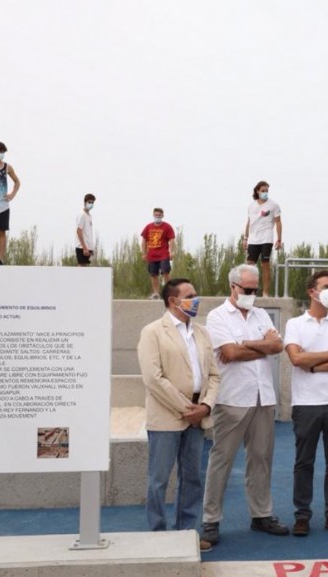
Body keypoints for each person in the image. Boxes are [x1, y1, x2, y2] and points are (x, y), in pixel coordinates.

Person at [201, 264, 288, 546]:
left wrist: (248, 344)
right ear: (233, 287)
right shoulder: (217, 317)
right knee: (221, 460)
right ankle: (211, 519)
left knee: (261, 458)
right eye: (247, 290)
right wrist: (260, 345)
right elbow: (229, 352)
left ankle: (261, 514)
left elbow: (277, 347)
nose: (252, 295)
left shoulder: (261, 314)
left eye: (255, 290)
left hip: (264, 397)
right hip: (232, 398)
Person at [136, 278, 219, 551]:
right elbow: (153, 378)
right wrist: (187, 410)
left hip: (198, 415)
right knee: (159, 480)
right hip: (168, 417)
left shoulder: (202, 333)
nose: (196, 299)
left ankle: (186, 533)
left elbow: (214, 375)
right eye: (190, 295)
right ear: (173, 301)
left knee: (192, 478)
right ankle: (158, 536)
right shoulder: (153, 332)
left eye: (196, 294)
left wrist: (205, 407)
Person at [284, 270, 328, 537]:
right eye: (326, 286)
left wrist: (314, 363)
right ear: (312, 292)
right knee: (304, 462)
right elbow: (296, 359)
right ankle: (302, 515)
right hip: (306, 403)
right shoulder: (295, 324)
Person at [243, 181, 282, 297]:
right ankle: (251, 290)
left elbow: (278, 222)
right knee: (250, 265)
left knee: (265, 263)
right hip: (253, 239)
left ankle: (265, 293)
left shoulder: (273, 205)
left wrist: (279, 239)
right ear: (257, 191)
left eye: (267, 191)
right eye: (263, 191)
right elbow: (249, 222)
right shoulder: (251, 205)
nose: (265, 193)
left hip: (266, 238)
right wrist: (245, 238)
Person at [141, 208, 176, 300]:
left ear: (162, 216)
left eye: (159, 215)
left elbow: (172, 240)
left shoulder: (167, 227)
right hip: (152, 255)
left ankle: (169, 292)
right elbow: (144, 241)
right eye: (156, 215)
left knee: (165, 272)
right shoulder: (148, 227)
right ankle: (156, 293)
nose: (157, 217)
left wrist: (171, 252)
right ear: (153, 215)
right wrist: (144, 253)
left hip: (163, 254)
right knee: (153, 274)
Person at [75, 194, 96, 267]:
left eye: (92, 203)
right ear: (85, 202)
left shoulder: (89, 216)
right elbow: (79, 231)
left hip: (88, 247)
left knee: (86, 270)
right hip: (82, 248)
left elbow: (88, 233)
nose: (91, 204)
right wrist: (84, 248)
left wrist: (91, 247)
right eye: (90, 202)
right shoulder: (82, 215)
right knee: (81, 268)